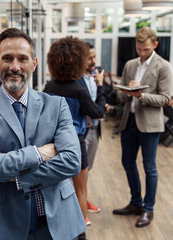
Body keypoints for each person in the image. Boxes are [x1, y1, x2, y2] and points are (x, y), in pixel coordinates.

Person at [0, 28, 86, 240]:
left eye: (22, 58)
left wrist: (13, 174)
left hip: (59, 223)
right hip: (7, 225)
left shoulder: (57, 105)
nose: (14, 66)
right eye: (7, 58)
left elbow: (72, 161)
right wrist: (39, 154)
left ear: (34, 63)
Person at [44, 36, 107, 239]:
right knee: (80, 191)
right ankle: (80, 234)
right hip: (75, 145)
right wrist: (101, 87)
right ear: (79, 61)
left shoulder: (49, 87)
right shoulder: (78, 90)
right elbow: (97, 112)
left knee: (57, 190)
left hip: (52, 145)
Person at [112, 27, 173, 228]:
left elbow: (165, 99)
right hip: (128, 121)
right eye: (139, 49)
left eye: (146, 49)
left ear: (155, 45)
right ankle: (136, 203)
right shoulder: (130, 65)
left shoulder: (164, 67)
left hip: (149, 125)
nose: (142, 52)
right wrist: (125, 90)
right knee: (127, 163)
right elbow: (121, 95)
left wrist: (141, 95)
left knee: (149, 167)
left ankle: (148, 209)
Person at [76, 42, 109, 215]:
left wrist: (104, 106)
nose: (93, 60)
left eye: (95, 56)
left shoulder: (94, 76)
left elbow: (98, 104)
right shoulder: (76, 80)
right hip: (83, 130)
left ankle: (83, 200)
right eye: (89, 57)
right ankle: (79, 207)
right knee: (80, 171)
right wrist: (99, 109)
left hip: (96, 128)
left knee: (87, 170)